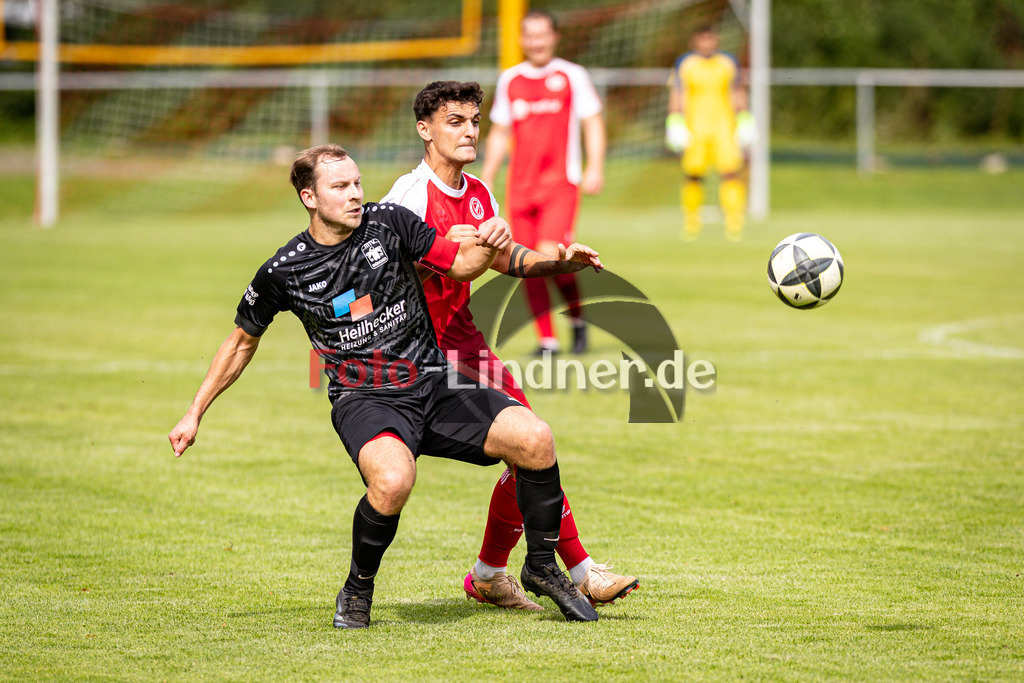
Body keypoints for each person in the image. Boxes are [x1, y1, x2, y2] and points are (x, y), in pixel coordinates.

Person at [167, 144, 602, 628]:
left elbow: (457, 264)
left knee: (536, 438)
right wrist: (194, 412)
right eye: (340, 187)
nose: (355, 194)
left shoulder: (389, 222)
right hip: (365, 399)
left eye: (356, 183)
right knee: (393, 482)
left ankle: (541, 565)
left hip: (434, 382)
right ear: (309, 197)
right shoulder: (284, 270)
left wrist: (491, 239)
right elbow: (240, 343)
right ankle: (357, 589)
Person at [382, 81, 639, 612]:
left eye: (474, 120)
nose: (470, 130)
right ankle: (557, 571)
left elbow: (503, 259)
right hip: (412, 348)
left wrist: (555, 263)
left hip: (463, 339)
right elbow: (420, 261)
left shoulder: (477, 193)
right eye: (455, 121)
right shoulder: (407, 196)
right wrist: (477, 240)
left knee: (533, 445)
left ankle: (496, 574)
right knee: (527, 448)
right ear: (424, 130)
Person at [481, 9, 606, 356]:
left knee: (556, 258)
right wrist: (488, 176)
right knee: (525, 263)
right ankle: (547, 340)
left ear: (554, 36)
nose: (536, 42)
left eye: (542, 34)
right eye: (530, 35)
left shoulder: (572, 76)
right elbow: (500, 132)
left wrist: (595, 166)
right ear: (521, 39)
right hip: (520, 188)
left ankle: (577, 321)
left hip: (560, 185)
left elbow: (592, 122)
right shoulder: (511, 79)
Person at [666, 24, 756, 241]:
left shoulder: (728, 62)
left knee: (731, 173)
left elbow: (737, 91)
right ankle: (691, 223)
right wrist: (674, 120)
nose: (707, 43)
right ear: (695, 41)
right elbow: (678, 93)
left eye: (710, 38)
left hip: (724, 128)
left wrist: (744, 118)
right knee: (693, 175)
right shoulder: (685, 64)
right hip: (695, 128)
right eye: (702, 39)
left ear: (716, 40)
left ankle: (734, 223)